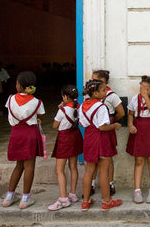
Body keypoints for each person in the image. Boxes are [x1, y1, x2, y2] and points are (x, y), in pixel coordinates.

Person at [2, 71, 45, 209]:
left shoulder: (10, 99)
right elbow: (40, 116)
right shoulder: (37, 102)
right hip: (30, 134)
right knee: (29, 166)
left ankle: (9, 197)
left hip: (16, 134)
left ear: (19, 86)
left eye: (16, 83)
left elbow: (10, 113)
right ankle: (25, 198)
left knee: (18, 165)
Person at [79, 79, 122, 211]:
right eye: (103, 90)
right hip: (101, 139)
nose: (105, 92)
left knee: (89, 170)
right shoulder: (101, 107)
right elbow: (102, 127)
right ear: (96, 93)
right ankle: (107, 201)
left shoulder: (82, 106)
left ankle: (85, 201)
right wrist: (114, 125)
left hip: (88, 138)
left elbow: (81, 123)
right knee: (103, 170)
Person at [126, 75, 150, 204]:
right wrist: (131, 125)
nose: (143, 90)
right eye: (141, 87)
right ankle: (137, 190)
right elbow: (131, 113)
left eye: (146, 88)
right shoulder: (134, 99)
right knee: (139, 159)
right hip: (139, 128)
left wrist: (145, 97)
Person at [48, 85, 83, 210]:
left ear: (65, 97)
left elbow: (54, 125)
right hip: (75, 135)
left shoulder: (62, 111)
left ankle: (63, 198)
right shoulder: (78, 107)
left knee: (59, 169)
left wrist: (60, 108)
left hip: (65, 138)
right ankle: (72, 193)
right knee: (73, 166)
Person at [91, 70, 124, 196]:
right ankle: (92, 184)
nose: (92, 82)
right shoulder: (91, 95)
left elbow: (120, 112)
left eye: (96, 80)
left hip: (106, 127)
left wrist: (111, 122)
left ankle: (110, 183)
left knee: (108, 156)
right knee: (93, 157)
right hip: (94, 128)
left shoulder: (111, 96)